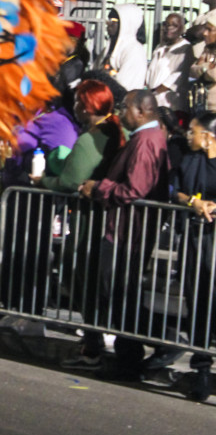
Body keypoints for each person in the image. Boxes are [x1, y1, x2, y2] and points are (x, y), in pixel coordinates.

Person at [68, 90, 169, 378]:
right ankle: (129, 358)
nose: (121, 114)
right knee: (121, 295)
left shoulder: (147, 141)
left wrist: (97, 189)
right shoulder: (145, 138)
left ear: (141, 111)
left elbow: (135, 189)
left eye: (125, 109)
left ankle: (160, 340)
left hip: (129, 230)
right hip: (125, 227)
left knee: (120, 293)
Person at [170, 112, 216, 401]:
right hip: (194, 239)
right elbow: (175, 190)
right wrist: (194, 202)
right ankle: (201, 370)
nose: (189, 136)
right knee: (196, 300)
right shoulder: (187, 157)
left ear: (209, 137)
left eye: (195, 132)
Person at [33, 79, 124, 193]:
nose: (74, 106)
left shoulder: (87, 140)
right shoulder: (119, 129)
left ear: (86, 108)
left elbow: (69, 182)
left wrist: (42, 181)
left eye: (76, 102)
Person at [145, 13, 194, 115]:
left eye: (174, 25)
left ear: (182, 29)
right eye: (166, 24)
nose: (169, 28)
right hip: (154, 102)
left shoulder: (185, 48)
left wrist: (154, 92)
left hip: (171, 106)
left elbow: (177, 76)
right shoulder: (160, 47)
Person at [93, 4, 147, 91]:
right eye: (109, 19)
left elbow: (124, 86)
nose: (108, 23)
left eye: (113, 20)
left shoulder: (134, 50)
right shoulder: (107, 48)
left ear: (126, 23)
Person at [189, 9, 216, 112]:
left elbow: (213, 74)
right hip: (203, 106)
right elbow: (192, 71)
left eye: (209, 30)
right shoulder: (208, 49)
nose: (204, 33)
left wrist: (202, 67)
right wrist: (206, 67)